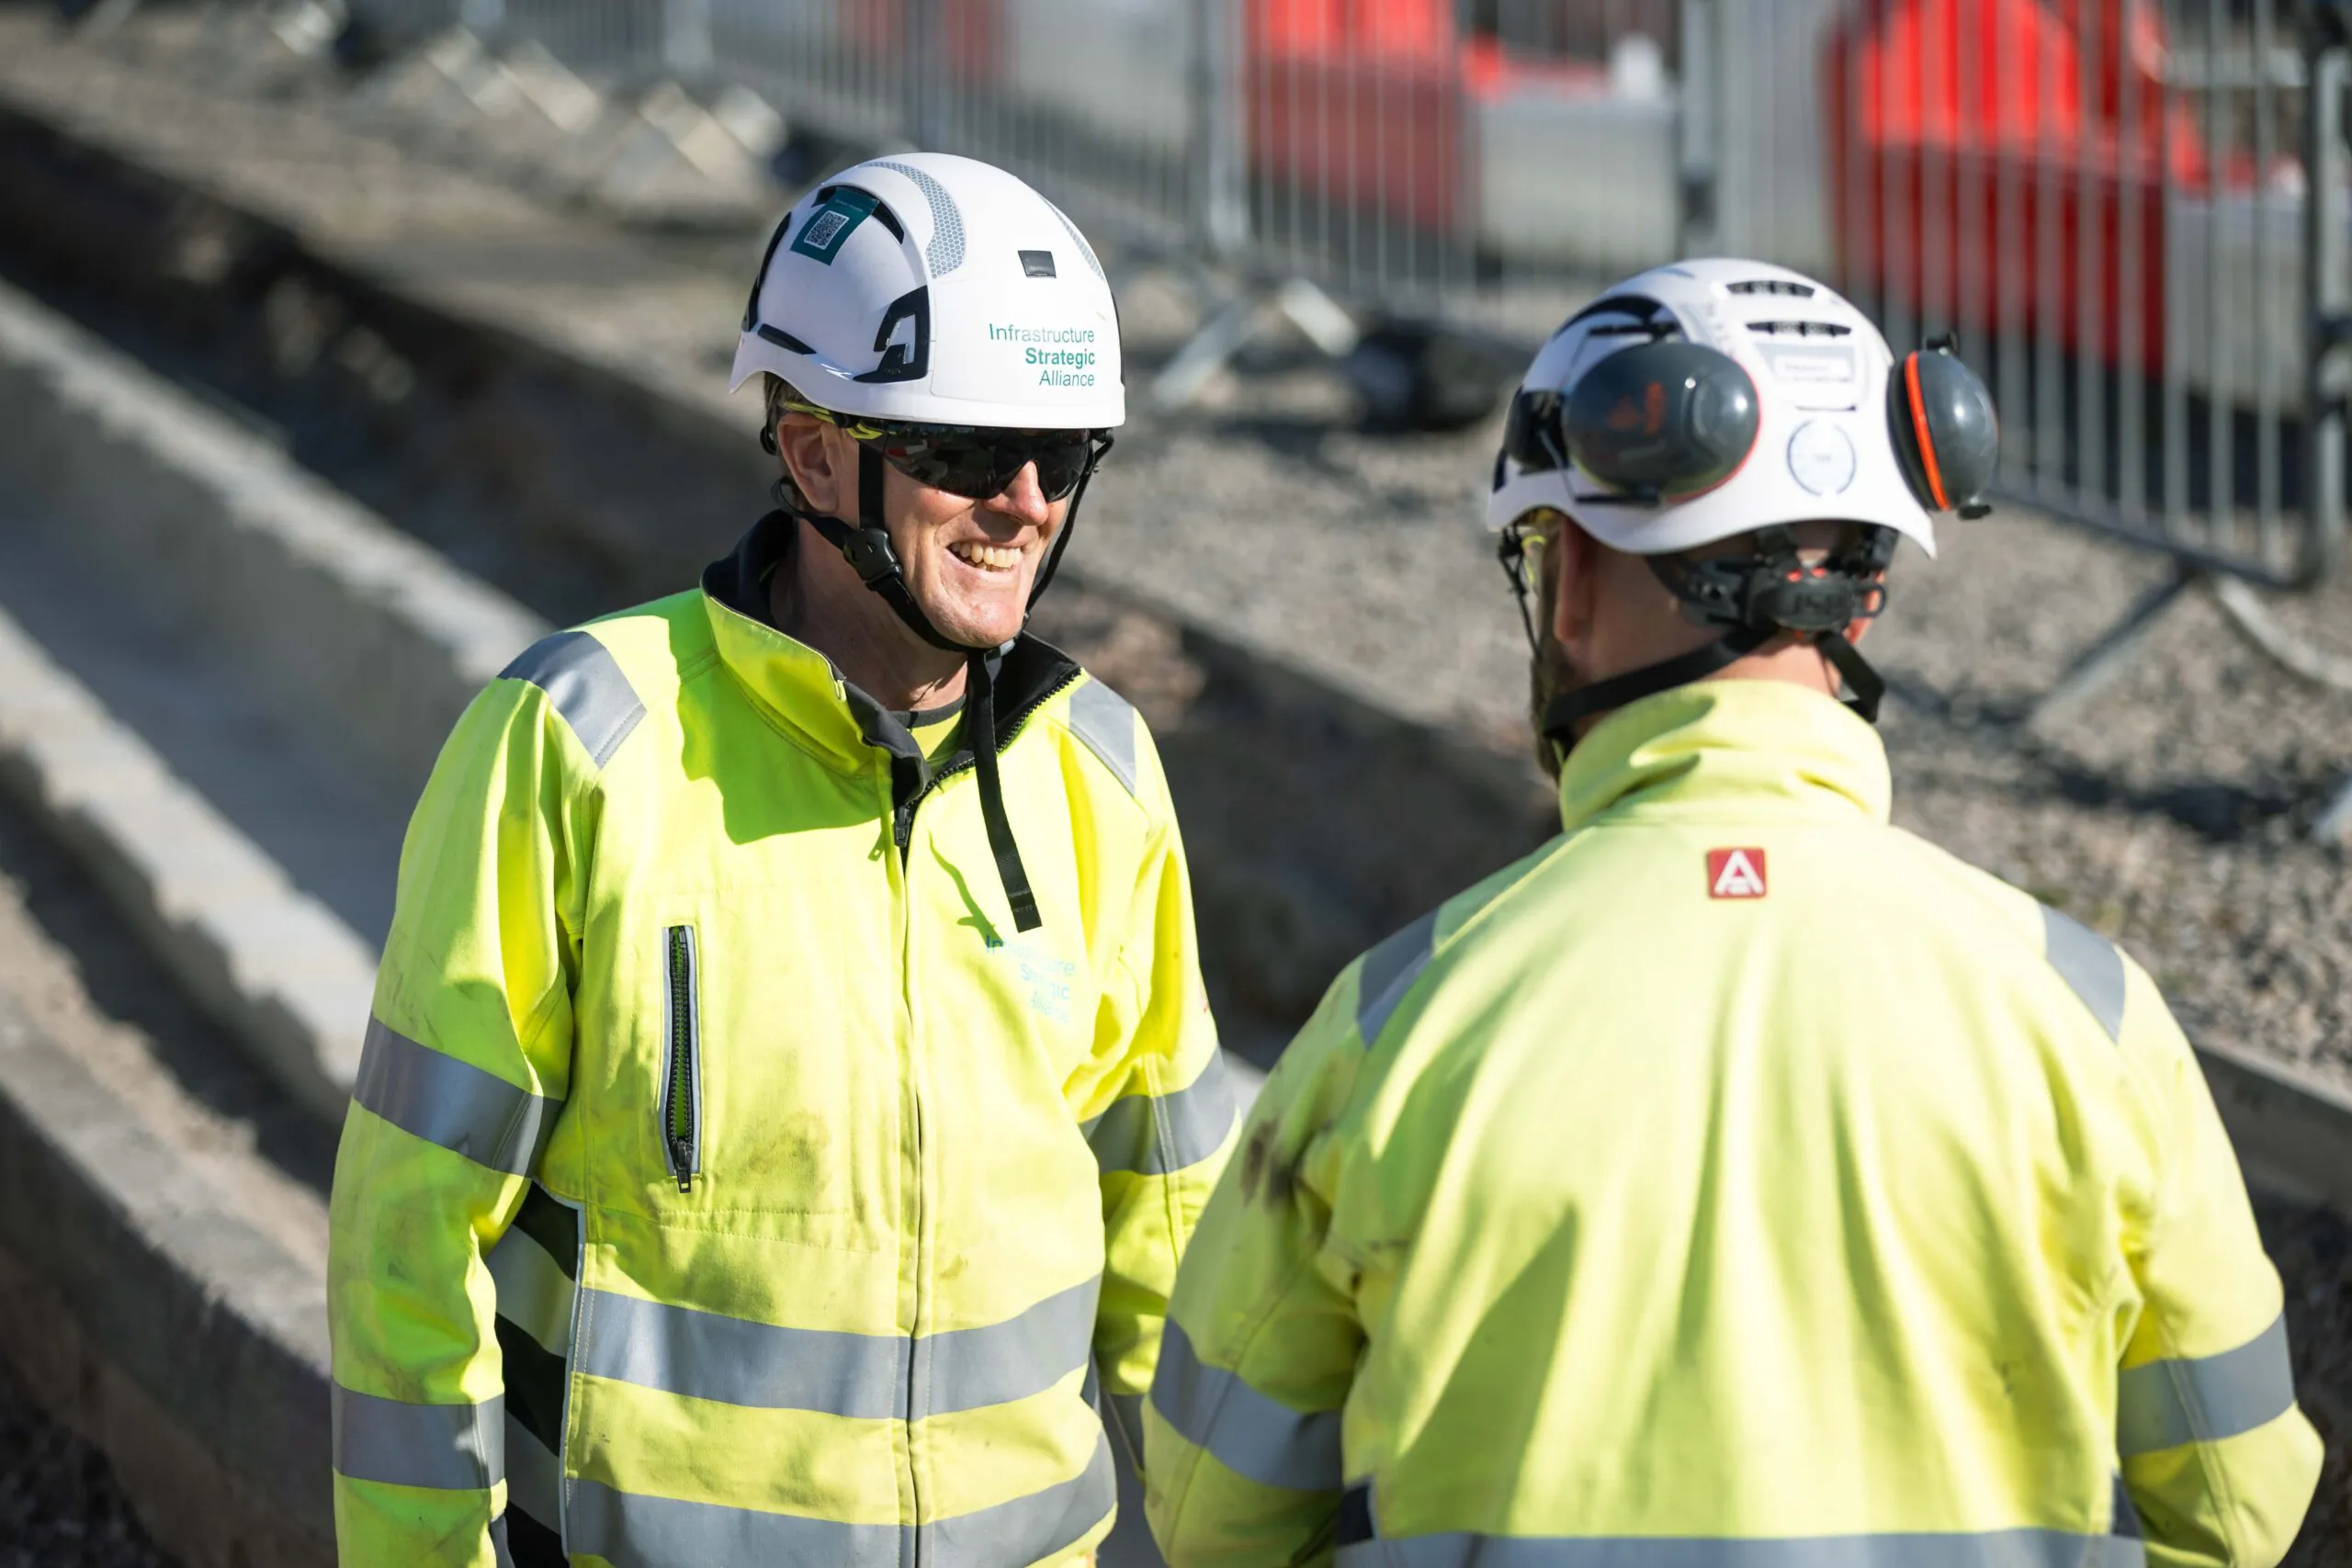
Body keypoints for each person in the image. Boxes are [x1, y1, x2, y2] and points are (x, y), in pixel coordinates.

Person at [1144, 259, 2320, 1567]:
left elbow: (1211, 1515)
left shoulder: (1396, 1021)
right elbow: (2237, 1502)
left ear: (1574, 580)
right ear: (1865, 589)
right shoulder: (2087, 1015)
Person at [327, 152, 1237, 1567]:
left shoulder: (1101, 776)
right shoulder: (580, 745)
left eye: (1061, 455)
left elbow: (1177, 1253)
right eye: (959, 449)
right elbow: (407, 1234)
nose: (1024, 501)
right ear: (812, 450)